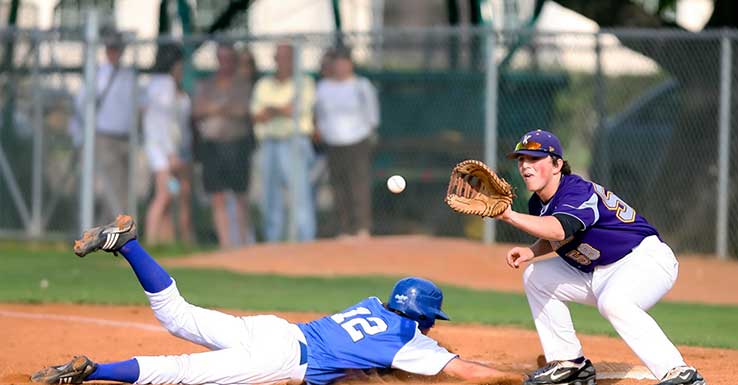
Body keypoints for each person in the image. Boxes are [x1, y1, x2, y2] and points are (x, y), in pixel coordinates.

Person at [31, 214, 522, 385]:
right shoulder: (408, 339)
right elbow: (466, 371)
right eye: (430, 320)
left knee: (176, 315)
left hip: (276, 329)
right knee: (178, 371)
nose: (432, 328)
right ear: (422, 317)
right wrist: (524, 378)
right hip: (282, 357)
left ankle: (129, 244)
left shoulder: (373, 305)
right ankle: (92, 372)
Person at [494, 129, 707, 385]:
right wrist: (532, 251)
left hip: (644, 260)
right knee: (536, 275)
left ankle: (680, 373)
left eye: (534, 159)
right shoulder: (538, 204)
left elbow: (560, 227)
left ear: (557, 165)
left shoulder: (577, 191)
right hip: (599, 270)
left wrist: (509, 216)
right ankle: (570, 365)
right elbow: (560, 235)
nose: (525, 166)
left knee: (614, 302)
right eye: (521, 160)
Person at [68, 28, 137, 221]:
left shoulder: (128, 75)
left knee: (124, 188)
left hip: (126, 137)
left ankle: (114, 230)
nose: (114, 52)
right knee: (112, 187)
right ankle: (114, 231)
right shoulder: (98, 76)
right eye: (111, 48)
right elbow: (81, 105)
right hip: (105, 137)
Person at [251, 43, 317, 242]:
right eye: (278, 56)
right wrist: (280, 109)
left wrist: (271, 110)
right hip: (269, 142)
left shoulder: (304, 82)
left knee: (300, 195)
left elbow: (294, 111)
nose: (282, 60)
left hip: (294, 142)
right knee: (270, 197)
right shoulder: (263, 84)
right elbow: (257, 116)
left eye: (286, 56)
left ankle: (305, 241)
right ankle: (273, 242)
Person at [192, 42, 254, 248]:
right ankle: (226, 244)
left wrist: (215, 108)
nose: (225, 63)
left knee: (240, 196)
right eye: (222, 58)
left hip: (236, 145)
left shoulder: (242, 84)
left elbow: (242, 110)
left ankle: (243, 244)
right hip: (212, 147)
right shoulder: (207, 84)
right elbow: (198, 110)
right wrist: (223, 107)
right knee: (217, 196)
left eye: (229, 59)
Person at [314, 47, 379, 239]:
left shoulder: (361, 85)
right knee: (338, 185)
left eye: (345, 62)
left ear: (350, 64)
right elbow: (319, 115)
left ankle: (362, 227)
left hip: (357, 140)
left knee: (358, 184)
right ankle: (344, 229)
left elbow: (372, 115)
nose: (341, 67)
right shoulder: (324, 87)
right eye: (337, 63)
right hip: (333, 142)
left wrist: (366, 134)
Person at [143, 44, 194, 244]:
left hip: (167, 149)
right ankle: (151, 240)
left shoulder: (162, 85)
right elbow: (164, 123)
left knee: (172, 194)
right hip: (162, 151)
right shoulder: (164, 85)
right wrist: (171, 154)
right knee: (164, 195)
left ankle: (166, 241)